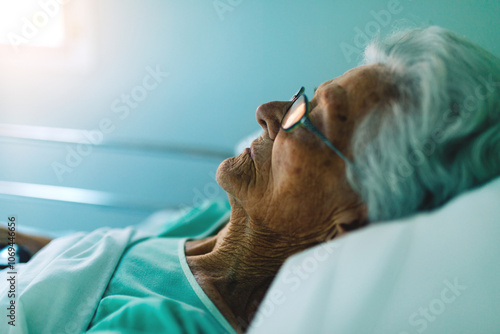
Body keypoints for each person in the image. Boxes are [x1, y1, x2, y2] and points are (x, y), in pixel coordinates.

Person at [1, 25, 499, 333]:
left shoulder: (169, 324)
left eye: (311, 120)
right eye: (305, 95)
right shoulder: (215, 220)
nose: (270, 112)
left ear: (352, 218)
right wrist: (11, 240)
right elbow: (83, 262)